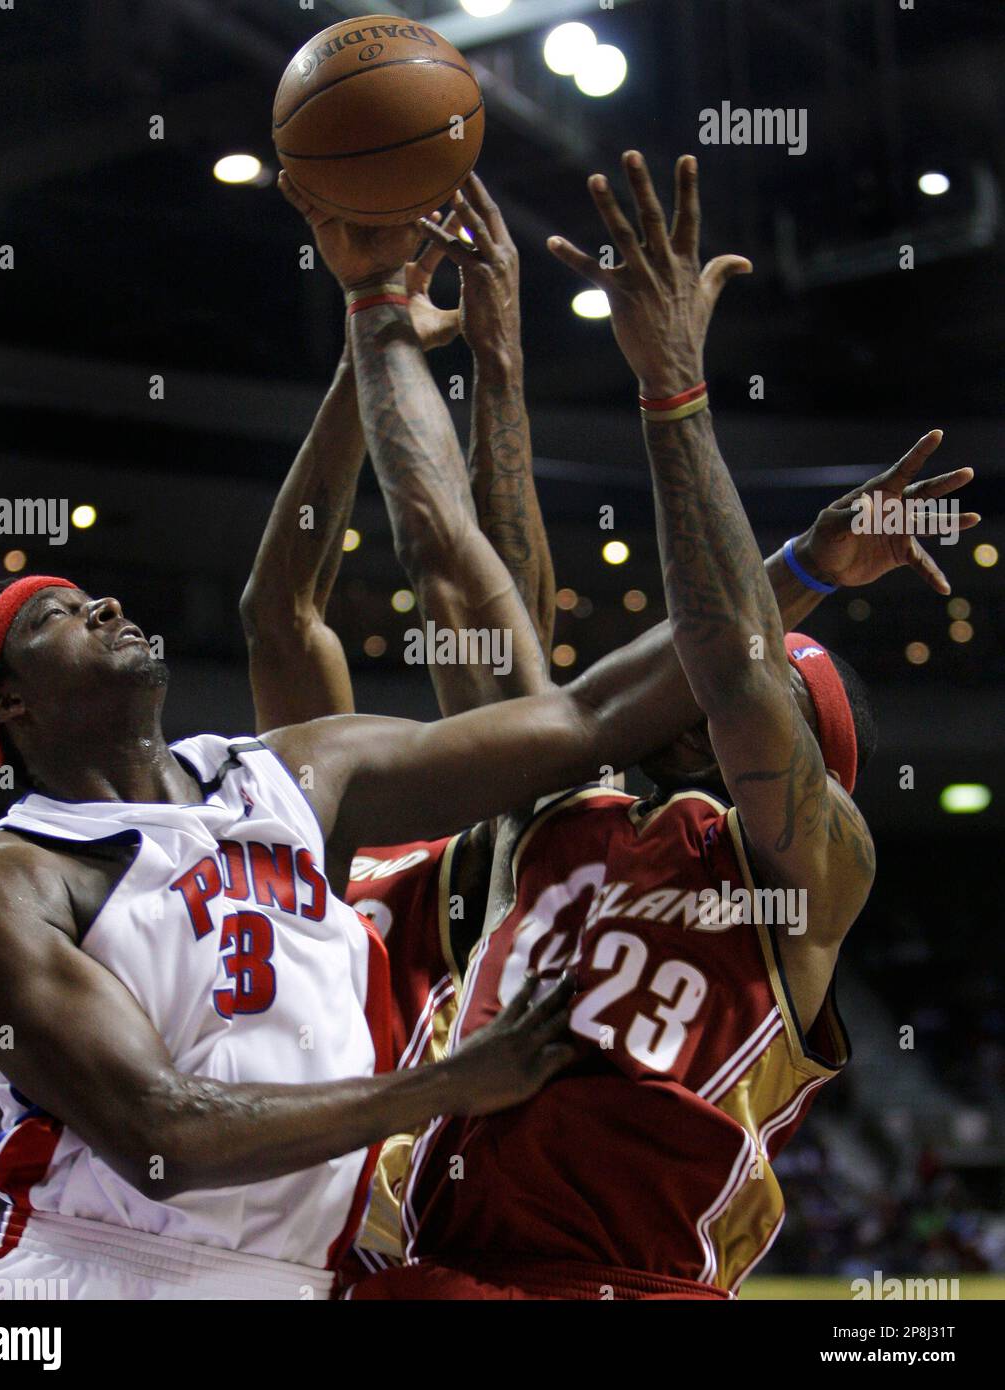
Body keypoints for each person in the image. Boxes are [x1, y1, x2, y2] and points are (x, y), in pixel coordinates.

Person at [0, 164, 823, 1299]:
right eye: (57, 615)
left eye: (90, 593)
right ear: (14, 711)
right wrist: (453, 1083)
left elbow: (586, 704)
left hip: (323, 1275)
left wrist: (805, 570)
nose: (101, 602)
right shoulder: (1, 879)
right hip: (97, 1271)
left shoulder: (293, 776)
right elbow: (163, 1136)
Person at [343, 152, 979, 1300]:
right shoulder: (560, 810)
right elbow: (467, 577)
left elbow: (732, 666)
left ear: (806, 756)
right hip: (426, 1275)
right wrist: (483, 355)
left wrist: (674, 383)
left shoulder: (808, 878)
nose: (676, 686)